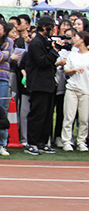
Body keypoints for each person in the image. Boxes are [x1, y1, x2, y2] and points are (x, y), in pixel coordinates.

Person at [24, 15, 62, 156]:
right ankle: (32, 143)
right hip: (38, 84)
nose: (53, 31)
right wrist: (54, 51)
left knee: (47, 115)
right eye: (51, 28)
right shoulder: (36, 43)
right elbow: (42, 62)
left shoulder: (44, 41)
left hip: (47, 84)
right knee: (37, 114)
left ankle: (43, 142)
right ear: (45, 27)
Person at [61, 31, 89, 152]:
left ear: (82, 39)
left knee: (84, 119)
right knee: (69, 116)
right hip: (72, 88)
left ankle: (81, 141)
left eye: (75, 37)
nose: (73, 39)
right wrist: (74, 70)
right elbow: (66, 70)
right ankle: (67, 141)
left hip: (86, 90)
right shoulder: (72, 55)